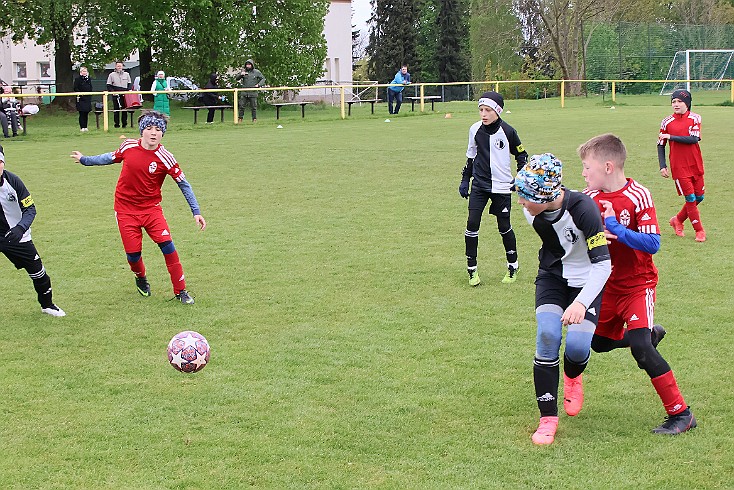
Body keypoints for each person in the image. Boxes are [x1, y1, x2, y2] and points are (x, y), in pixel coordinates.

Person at [580, 133, 696, 435]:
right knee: (598, 344)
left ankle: (681, 414)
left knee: (642, 349)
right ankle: (644, 334)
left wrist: (616, 228)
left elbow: (652, 243)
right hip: (606, 285)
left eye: (587, 167)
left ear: (607, 166)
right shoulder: (588, 200)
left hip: (637, 284)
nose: (583, 173)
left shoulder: (639, 195)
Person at [513, 153, 612, 445]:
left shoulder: (584, 210)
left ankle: (572, 376)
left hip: (587, 282)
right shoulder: (532, 207)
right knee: (547, 335)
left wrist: (581, 302)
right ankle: (547, 418)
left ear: (544, 196)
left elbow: (603, 264)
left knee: (579, 347)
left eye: (526, 196)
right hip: (552, 278)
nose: (521, 202)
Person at [69, 111, 206, 304]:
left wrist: (196, 211)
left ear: (162, 134)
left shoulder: (165, 157)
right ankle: (140, 277)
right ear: (142, 131)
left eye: (158, 130)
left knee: (169, 248)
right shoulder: (128, 146)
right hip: (125, 211)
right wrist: (85, 160)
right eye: (149, 128)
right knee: (133, 256)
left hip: (151, 211)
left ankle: (181, 291)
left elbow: (184, 184)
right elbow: (109, 157)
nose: (153, 133)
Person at [459, 91, 527, 286]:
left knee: (504, 226)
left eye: (488, 110)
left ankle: (513, 265)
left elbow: (522, 155)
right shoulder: (474, 130)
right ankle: (472, 270)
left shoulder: (508, 131)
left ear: (497, 111)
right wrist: (465, 180)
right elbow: (471, 157)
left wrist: (519, 179)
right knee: (472, 223)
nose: (483, 114)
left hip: (502, 186)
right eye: (481, 110)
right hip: (480, 185)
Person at [0, 145, 65, 317]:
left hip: (15, 236)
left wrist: (20, 228)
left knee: (39, 274)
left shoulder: (13, 181)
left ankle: (48, 305)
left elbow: (30, 209)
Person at [657, 89, 706, 242]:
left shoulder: (695, 118)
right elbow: (660, 144)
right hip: (679, 166)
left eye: (679, 101)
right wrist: (662, 165)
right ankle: (699, 231)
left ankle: (677, 220)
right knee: (690, 198)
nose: (676, 104)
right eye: (673, 102)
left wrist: (671, 136)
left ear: (687, 103)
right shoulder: (666, 122)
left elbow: (694, 139)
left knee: (700, 197)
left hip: (695, 163)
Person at [106, 61, 132, 128]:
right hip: (116, 93)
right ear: (115, 66)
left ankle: (124, 124)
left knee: (124, 109)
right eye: (118, 66)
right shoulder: (111, 75)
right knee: (116, 109)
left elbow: (129, 84)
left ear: (122, 66)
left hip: (125, 94)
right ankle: (116, 125)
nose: (119, 67)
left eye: (120, 66)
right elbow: (109, 85)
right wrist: (113, 91)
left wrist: (128, 91)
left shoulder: (127, 74)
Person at [73, 66, 93, 132]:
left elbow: (90, 87)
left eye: (85, 71)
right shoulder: (77, 79)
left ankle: (86, 127)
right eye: (83, 71)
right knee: (81, 113)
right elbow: (75, 88)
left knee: (86, 113)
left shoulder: (88, 79)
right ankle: (82, 127)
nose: (84, 73)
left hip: (87, 98)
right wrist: (80, 93)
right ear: (80, 72)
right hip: (81, 98)